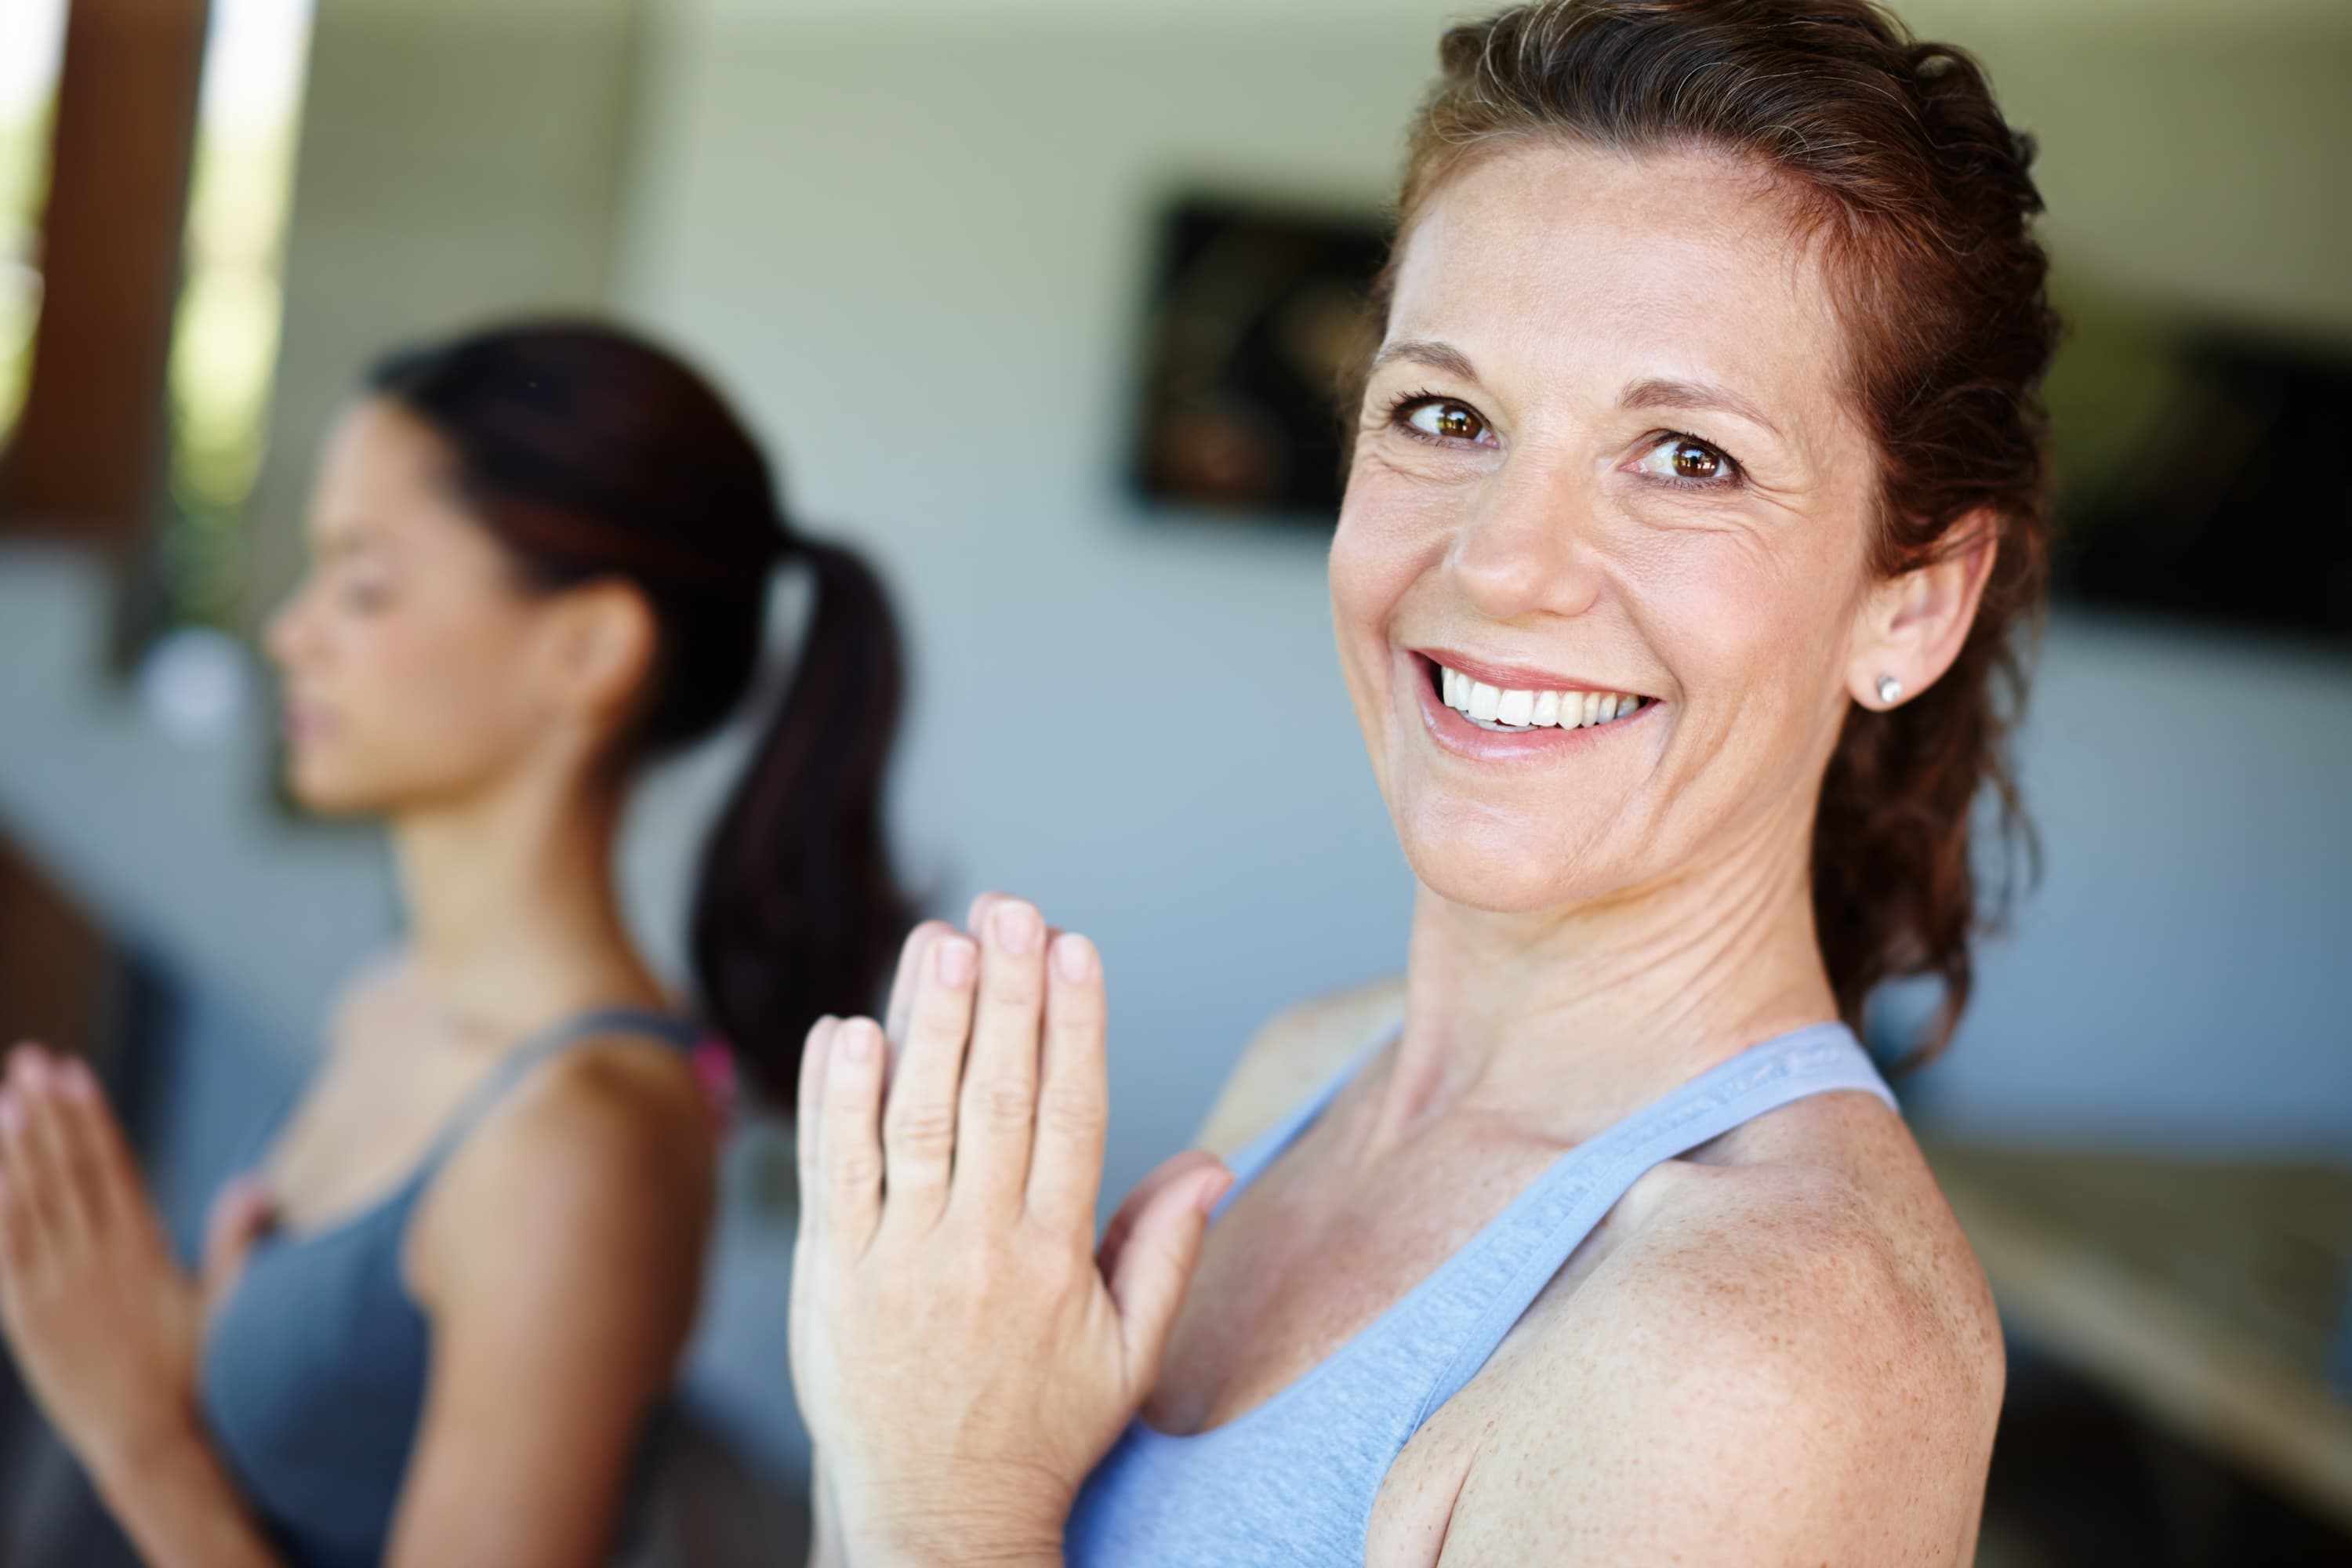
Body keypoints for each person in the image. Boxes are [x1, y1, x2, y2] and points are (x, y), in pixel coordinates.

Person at [786, 1, 2053, 1562]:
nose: (1504, 564)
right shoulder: (1310, 1070)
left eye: (1688, 456)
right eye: (1445, 417)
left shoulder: (1771, 1344)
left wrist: (940, 1501)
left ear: (1914, 598)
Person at [0, 321, 910, 1568]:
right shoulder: (392, 1000)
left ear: (586, 649)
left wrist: (139, 1436)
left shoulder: (576, 1140)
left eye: (364, 584)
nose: (292, 633)